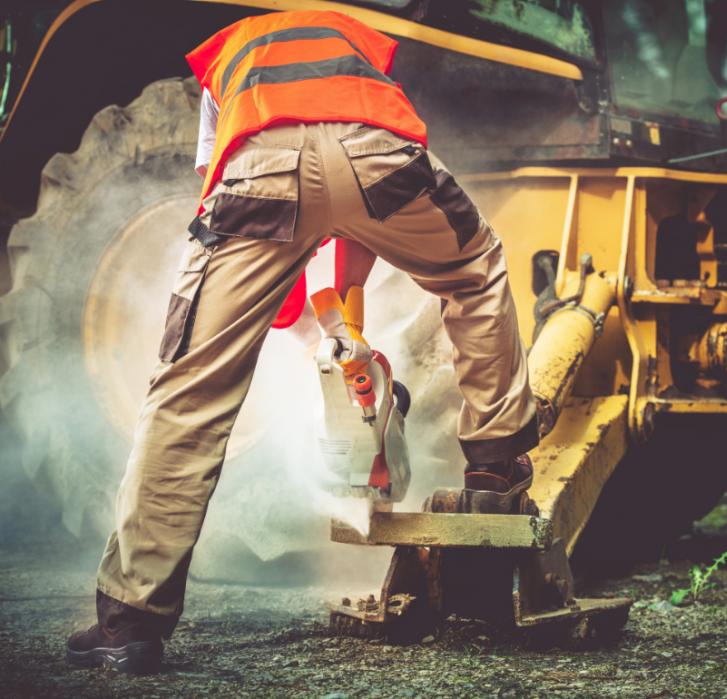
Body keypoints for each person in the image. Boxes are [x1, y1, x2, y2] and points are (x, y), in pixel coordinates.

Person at [66, 9, 538, 674]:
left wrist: (291, 313)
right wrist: (344, 309)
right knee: (475, 269)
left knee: (190, 384)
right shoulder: (354, 39)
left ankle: (129, 619)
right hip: (378, 160)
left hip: (257, 174)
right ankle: (493, 464)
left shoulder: (226, 60)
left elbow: (225, 186)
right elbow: (355, 180)